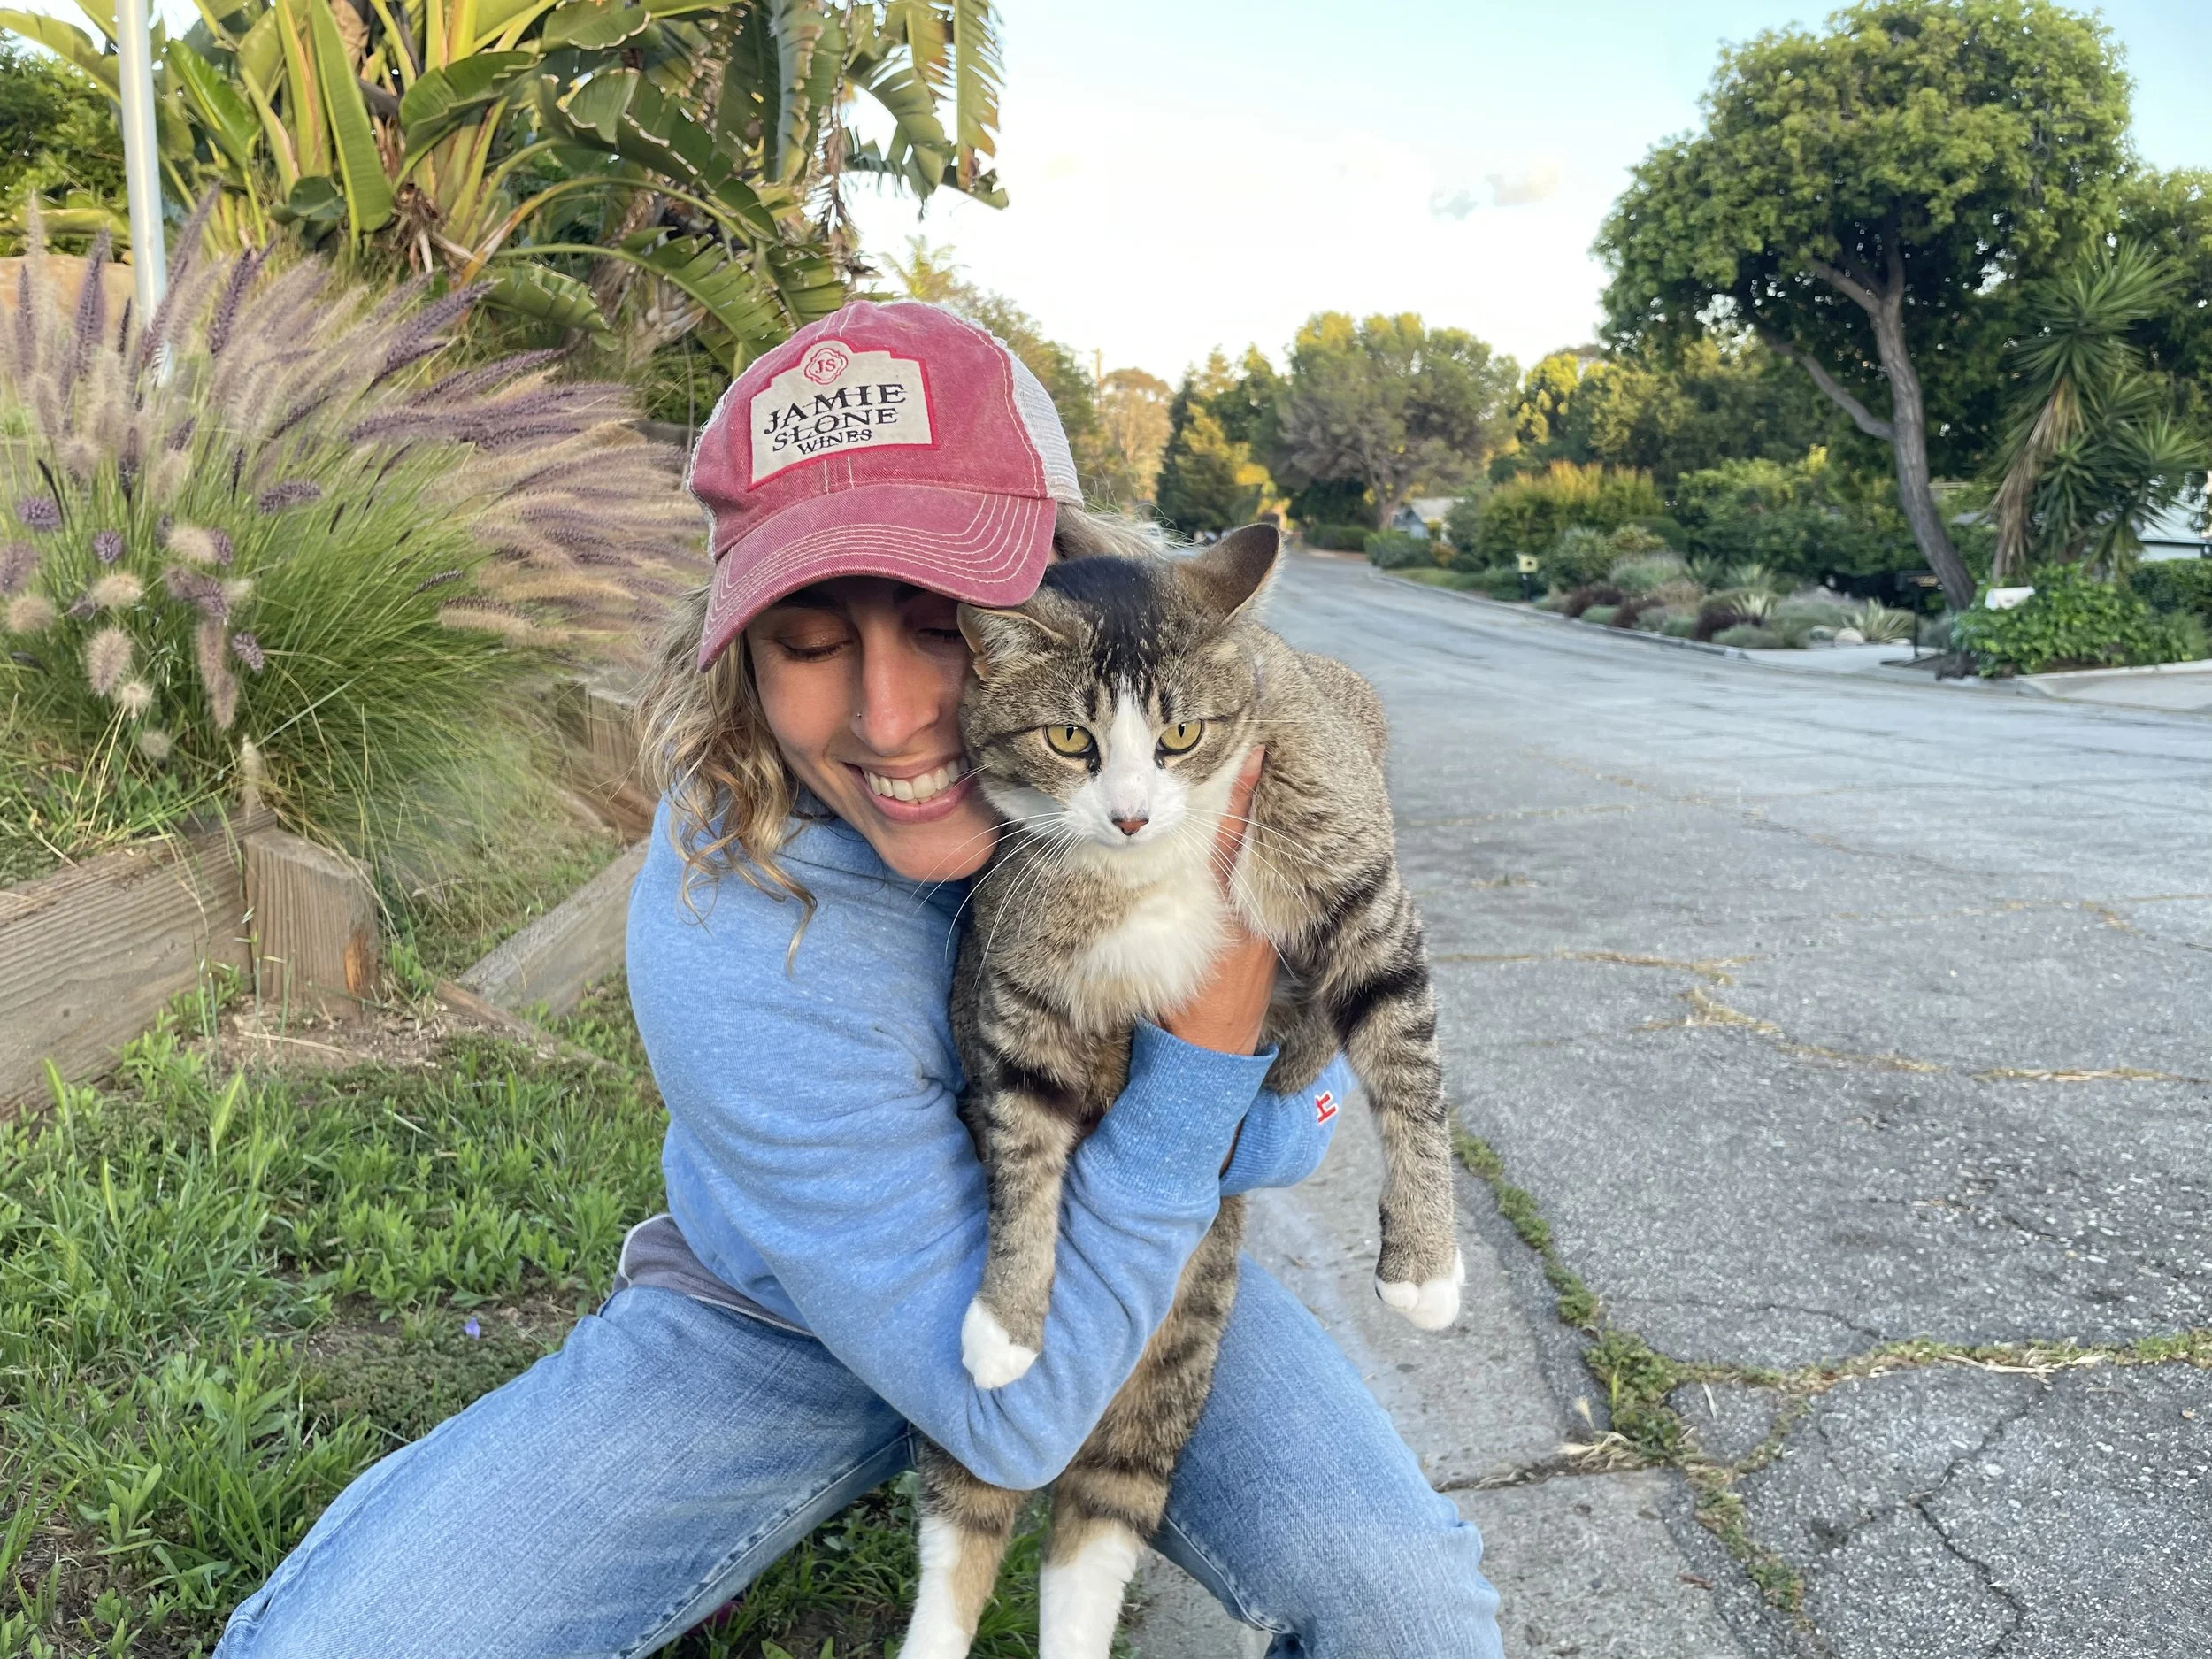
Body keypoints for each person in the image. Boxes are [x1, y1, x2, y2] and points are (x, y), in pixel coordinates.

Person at [213, 301, 1503, 1658]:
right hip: (785, 1318)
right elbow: (1014, 1415)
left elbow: (1286, 1141)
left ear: (1072, 580)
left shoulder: (1165, 765)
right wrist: (1209, 1038)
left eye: (945, 624)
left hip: (1113, 1241)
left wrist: (1248, 1044)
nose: (891, 722)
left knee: (1411, 1611)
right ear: (741, 659)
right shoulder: (724, 930)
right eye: (811, 643)